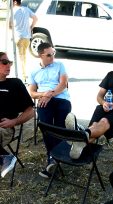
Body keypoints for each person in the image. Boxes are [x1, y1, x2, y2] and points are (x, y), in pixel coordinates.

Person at [28, 42, 71, 178]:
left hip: (61, 98)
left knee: (59, 127)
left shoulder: (59, 65)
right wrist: (44, 95)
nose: (52, 57)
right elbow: (32, 93)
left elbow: (63, 84)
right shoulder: (34, 71)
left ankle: (53, 160)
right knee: (46, 127)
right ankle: (53, 159)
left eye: (54, 53)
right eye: (49, 55)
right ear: (40, 56)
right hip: (44, 99)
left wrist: (49, 94)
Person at [0, 52, 34, 178]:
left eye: (9, 62)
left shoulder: (15, 84)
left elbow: (31, 111)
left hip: (4, 128)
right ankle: (4, 157)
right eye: (4, 62)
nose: (8, 65)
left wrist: (14, 122)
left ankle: (5, 157)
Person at [10, 0, 38, 82]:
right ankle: (24, 74)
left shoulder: (13, 10)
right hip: (27, 37)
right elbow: (35, 18)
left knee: (20, 57)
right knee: (24, 56)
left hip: (18, 36)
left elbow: (10, 24)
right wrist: (31, 27)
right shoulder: (26, 9)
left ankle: (23, 76)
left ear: (15, 2)